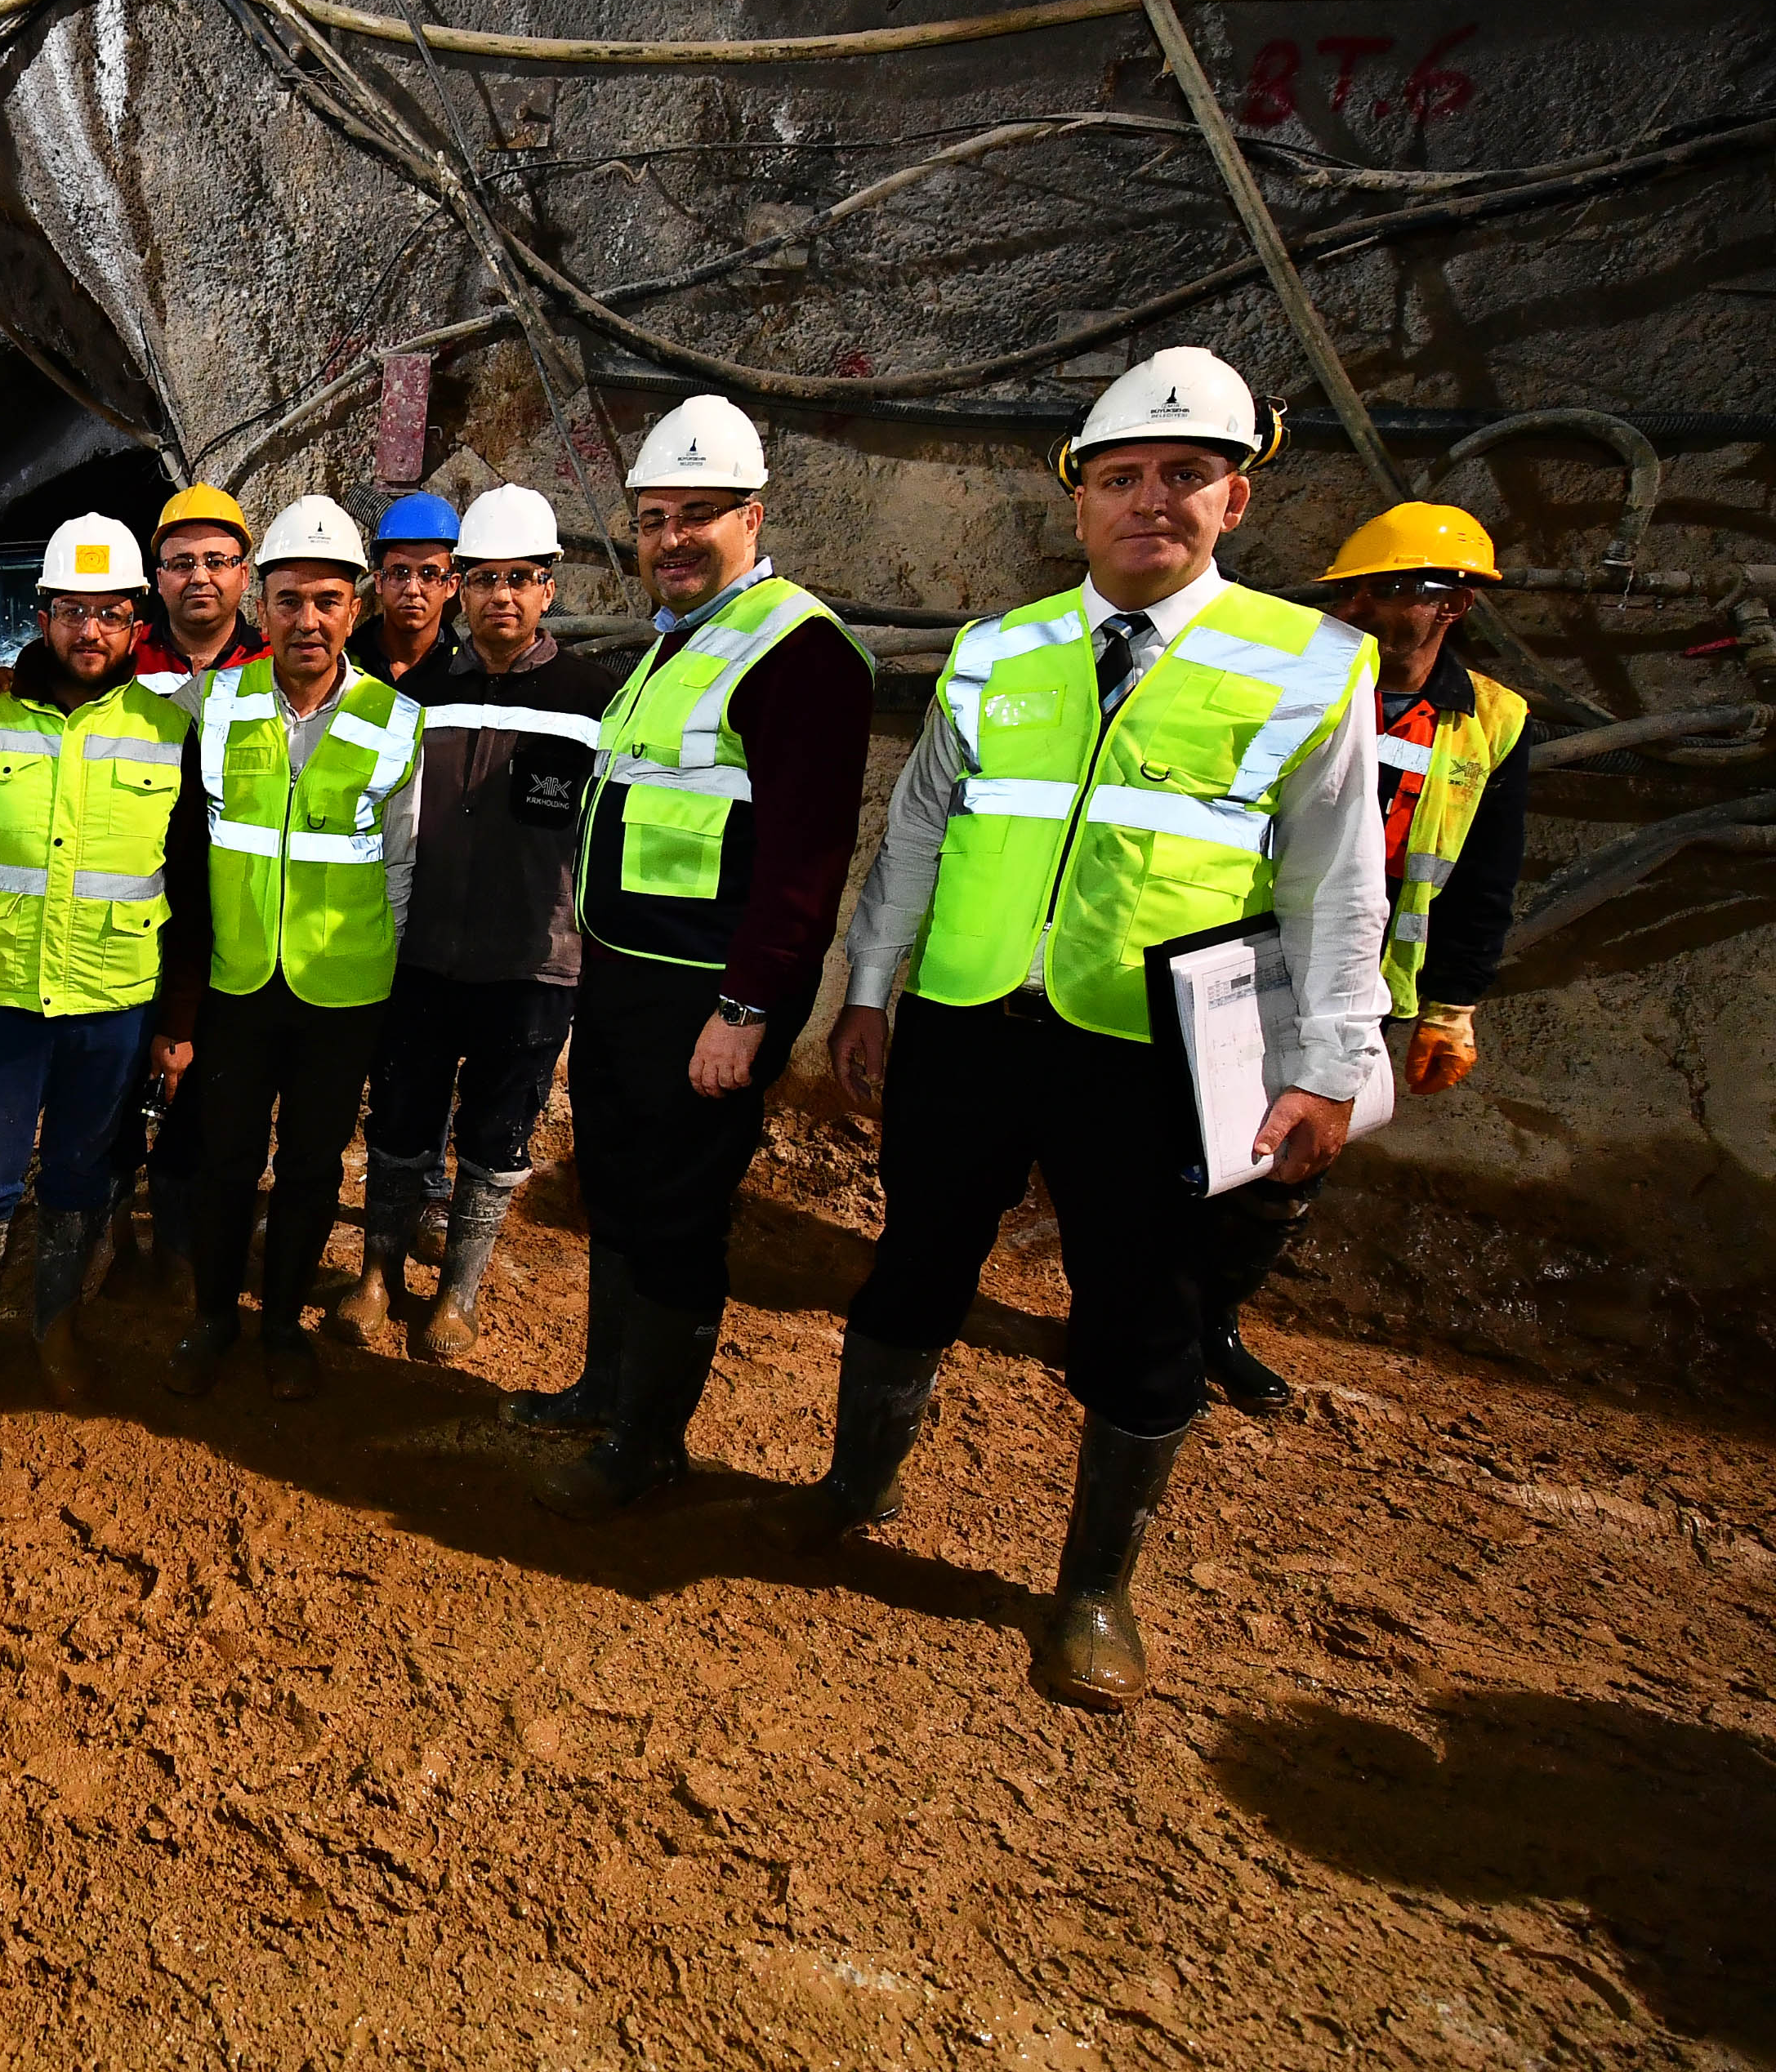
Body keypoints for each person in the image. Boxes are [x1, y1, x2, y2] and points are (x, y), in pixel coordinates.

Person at [821, 346, 1383, 1712]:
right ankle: (856, 1481)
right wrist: (871, 986)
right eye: (1121, 476)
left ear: (1234, 499)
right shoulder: (996, 649)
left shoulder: (1305, 667)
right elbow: (915, 838)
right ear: (1076, 499)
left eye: (1185, 476)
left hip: (1150, 1053)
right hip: (968, 1021)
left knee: (1145, 1312)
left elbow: (1335, 883)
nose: (1152, 502)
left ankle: (1090, 1587)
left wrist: (1327, 1067)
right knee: (912, 1264)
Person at [516, 405, 873, 1508]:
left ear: (752, 517)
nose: (670, 539)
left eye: (697, 517)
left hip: (706, 999)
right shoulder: (678, 646)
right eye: (652, 519)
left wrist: (751, 1006)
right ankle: (605, 1388)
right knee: (621, 1188)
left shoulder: (798, 650)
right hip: (629, 980)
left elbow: (807, 862)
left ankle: (647, 1445)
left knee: (675, 1210)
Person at [1188, 501, 1528, 1410]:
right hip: (1235, 964)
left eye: (1391, 593)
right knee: (1189, 1150)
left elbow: (1484, 879)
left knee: (1290, 1165)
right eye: (1354, 592)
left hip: (1359, 981)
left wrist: (1453, 1004)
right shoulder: (1283, 676)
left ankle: (1211, 1324)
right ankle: (1142, 1318)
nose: (1363, 611)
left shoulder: (1489, 723)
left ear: (1452, 604)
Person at [0, 515, 207, 1412]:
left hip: (114, 996)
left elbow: (193, 886)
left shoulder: (171, 728)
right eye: (73, 611)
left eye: (112, 613)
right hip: (1, 988)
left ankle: (55, 1327)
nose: (92, 631)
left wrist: (177, 1022)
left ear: (137, 623)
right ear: (42, 614)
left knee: (85, 1173)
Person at [334, 484, 617, 1363]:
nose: (502, 596)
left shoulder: (593, 701)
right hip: (420, 954)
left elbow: (604, 841)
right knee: (400, 1122)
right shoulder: (421, 692)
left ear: (548, 589)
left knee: (497, 1136)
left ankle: (458, 1291)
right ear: (464, 586)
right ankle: (379, 1274)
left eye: (520, 579)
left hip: (532, 966)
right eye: (485, 578)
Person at [166, 495, 424, 1401]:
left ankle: (280, 1328)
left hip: (342, 993)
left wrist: (384, 985)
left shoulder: (398, 722)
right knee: (225, 1159)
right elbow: (124, 704)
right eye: (287, 600)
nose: (306, 619)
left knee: (312, 1165)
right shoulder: (218, 699)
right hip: (240, 981)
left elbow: (403, 865)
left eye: (326, 599)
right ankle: (213, 1317)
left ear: (357, 607)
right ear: (259, 607)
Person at [115, 483, 266, 1308]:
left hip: (234, 922)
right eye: (181, 563)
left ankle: (179, 1247)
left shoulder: (280, 673)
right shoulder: (117, 661)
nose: (199, 578)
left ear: (244, 574)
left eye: (217, 561)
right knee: (112, 1089)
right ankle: (109, 1241)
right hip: (128, 909)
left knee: (207, 1099)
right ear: (157, 576)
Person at [348, 488, 464, 702]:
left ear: (451, 585)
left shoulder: (468, 675)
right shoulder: (343, 665)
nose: (412, 589)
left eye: (429, 574)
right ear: (379, 581)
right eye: (399, 573)